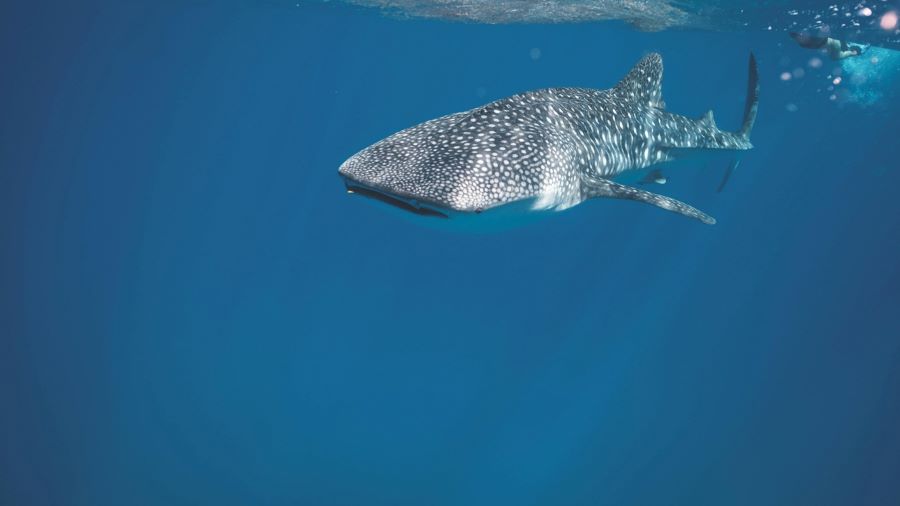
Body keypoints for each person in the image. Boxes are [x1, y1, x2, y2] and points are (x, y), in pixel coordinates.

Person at [790, 32, 867, 60]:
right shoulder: (803, 44)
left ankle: (855, 51)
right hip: (831, 43)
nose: (798, 39)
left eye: (797, 37)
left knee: (835, 57)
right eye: (796, 38)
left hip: (831, 42)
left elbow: (817, 43)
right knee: (836, 54)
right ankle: (850, 46)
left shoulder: (804, 41)